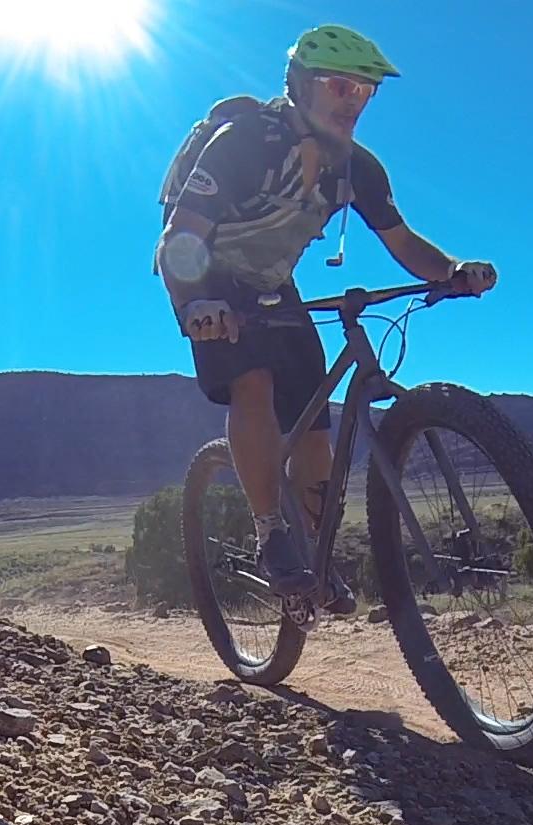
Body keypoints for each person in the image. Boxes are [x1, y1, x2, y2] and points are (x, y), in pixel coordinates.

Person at [155, 24, 497, 611]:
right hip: (210, 277)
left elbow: (403, 240)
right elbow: (179, 238)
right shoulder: (242, 143)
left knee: (317, 425)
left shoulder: (357, 168)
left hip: (271, 284)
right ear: (301, 86)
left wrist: (452, 270)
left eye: (363, 93)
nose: (352, 103)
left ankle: (313, 555)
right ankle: (271, 535)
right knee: (253, 382)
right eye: (340, 87)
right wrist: (195, 305)